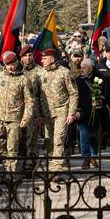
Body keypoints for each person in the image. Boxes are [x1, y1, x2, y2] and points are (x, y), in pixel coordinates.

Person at [0, 51, 33, 175]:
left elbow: (29, 100)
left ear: (17, 62)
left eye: (12, 64)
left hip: (15, 119)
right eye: (8, 65)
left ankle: (10, 175)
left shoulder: (24, 79)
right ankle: (2, 171)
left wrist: (26, 117)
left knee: (12, 147)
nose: (10, 67)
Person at [36, 48, 79, 176]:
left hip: (62, 111)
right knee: (49, 140)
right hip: (46, 113)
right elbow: (36, 95)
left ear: (52, 59)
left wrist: (71, 113)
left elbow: (73, 93)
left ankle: (55, 171)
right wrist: (38, 114)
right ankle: (51, 164)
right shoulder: (40, 74)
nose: (42, 60)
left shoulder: (64, 73)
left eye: (44, 58)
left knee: (59, 139)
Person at [75, 58, 105, 168]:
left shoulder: (100, 78)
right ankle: (86, 158)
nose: (81, 70)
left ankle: (93, 156)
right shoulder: (78, 80)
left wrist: (100, 100)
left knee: (94, 135)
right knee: (83, 135)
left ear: (91, 68)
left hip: (95, 112)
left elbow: (107, 92)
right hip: (82, 113)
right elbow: (74, 97)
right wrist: (76, 110)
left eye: (84, 68)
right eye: (81, 68)